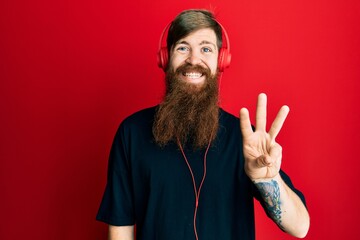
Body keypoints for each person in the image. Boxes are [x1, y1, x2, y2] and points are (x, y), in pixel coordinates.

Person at [96, 9, 310, 240]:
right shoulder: (132, 132)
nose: (193, 59)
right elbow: (121, 226)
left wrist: (267, 178)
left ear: (221, 61)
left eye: (206, 48)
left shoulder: (245, 139)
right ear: (165, 59)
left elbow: (300, 227)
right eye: (182, 47)